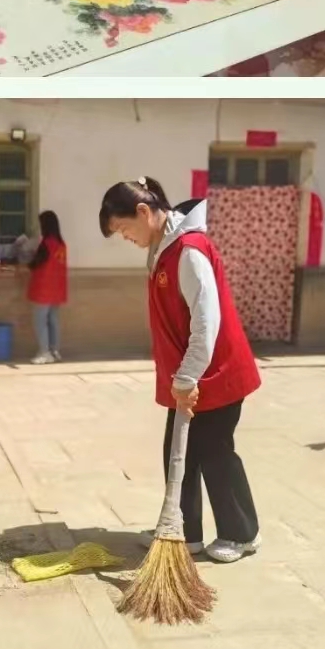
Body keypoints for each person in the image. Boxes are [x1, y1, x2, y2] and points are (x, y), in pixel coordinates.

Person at [100, 174, 261, 563]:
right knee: (180, 451)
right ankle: (185, 533)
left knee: (214, 451)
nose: (126, 237)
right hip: (190, 374)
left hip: (216, 372)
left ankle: (242, 534)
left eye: (124, 229)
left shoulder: (189, 250)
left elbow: (207, 322)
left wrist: (188, 376)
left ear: (143, 212)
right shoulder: (164, 248)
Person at [26, 209, 68, 362]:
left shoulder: (46, 243)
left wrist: (29, 257)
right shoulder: (61, 244)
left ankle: (44, 352)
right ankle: (54, 350)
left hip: (44, 288)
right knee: (53, 321)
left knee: (40, 321)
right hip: (57, 288)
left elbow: (36, 263)